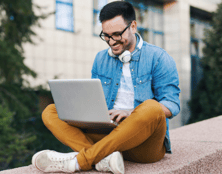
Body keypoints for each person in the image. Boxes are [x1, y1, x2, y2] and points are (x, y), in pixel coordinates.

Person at [31, 1, 180, 174]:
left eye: (117, 34)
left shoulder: (159, 58)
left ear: (133, 26)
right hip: (108, 134)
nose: (111, 41)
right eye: (106, 36)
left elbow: (172, 105)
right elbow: (96, 100)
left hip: (144, 145)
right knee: (50, 111)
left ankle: (80, 161)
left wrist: (131, 112)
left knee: (152, 107)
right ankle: (104, 159)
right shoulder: (101, 59)